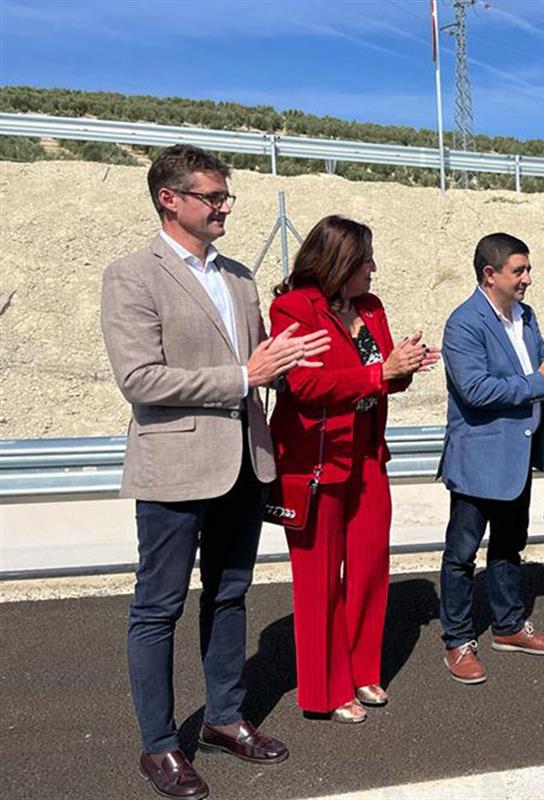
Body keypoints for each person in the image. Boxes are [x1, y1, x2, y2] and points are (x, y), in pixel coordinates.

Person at [101, 144, 330, 800]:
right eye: (213, 196)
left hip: (244, 463)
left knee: (229, 596)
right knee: (158, 607)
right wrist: (243, 376)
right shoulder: (131, 275)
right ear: (169, 199)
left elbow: (257, 361)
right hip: (175, 466)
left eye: (227, 195)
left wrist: (283, 360)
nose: (226, 205)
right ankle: (160, 745)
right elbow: (139, 378)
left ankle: (225, 720)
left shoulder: (238, 277)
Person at [268, 216, 439, 722]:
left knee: (369, 568)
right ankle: (325, 688)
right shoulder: (293, 308)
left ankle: (363, 670)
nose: (373, 270)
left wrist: (402, 367)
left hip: (367, 455)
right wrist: (378, 373)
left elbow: (384, 381)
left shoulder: (371, 307)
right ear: (339, 262)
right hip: (316, 461)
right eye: (365, 261)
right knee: (319, 579)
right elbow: (303, 386)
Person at [436, 232, 544, 684]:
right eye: (519, 271)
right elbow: (476, 390)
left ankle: (508, 626)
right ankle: (458, 640)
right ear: (490, 274)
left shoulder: (527, 315)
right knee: (461, 555)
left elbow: (542, 365)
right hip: (479, 458)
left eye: (528, 269)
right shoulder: (464, 323)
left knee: (508, 548)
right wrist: (542, 381)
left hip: (518, 455)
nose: (527, 279)